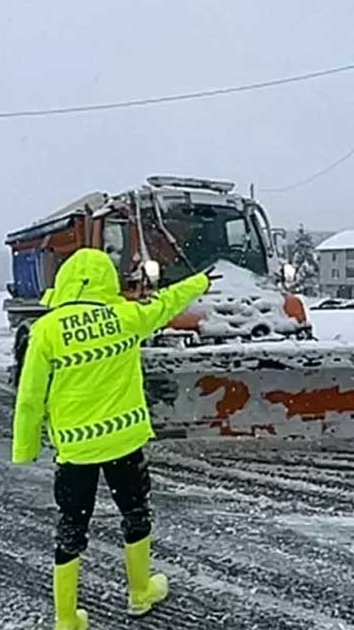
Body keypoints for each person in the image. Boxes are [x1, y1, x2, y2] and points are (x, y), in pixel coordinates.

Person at [11, 248, 212, 627]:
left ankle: (67, 618)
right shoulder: (126, 317)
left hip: (76, 450)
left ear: (67, 280)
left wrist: (26, 447)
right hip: (124, 442)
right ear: (107, 280)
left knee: (72, 526)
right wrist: (199, 282)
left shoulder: (46, 331)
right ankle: (139, 593)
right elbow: (166, 303)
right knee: (135, 514)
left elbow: (30, 397)